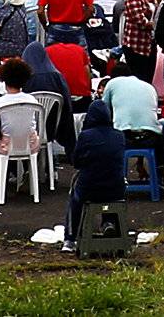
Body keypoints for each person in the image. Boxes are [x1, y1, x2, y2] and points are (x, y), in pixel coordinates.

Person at [65, 97, 128, 249]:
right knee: (111, 177)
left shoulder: (85, 136)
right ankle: (109, 222)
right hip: (116, 189)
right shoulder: (119, 135)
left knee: (75, 196)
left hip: (89, 188)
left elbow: (77, 162)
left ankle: (70, 238)